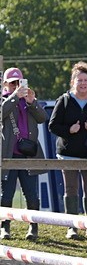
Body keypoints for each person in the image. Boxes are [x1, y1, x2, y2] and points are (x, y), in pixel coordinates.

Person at [48, 63, 87, 240]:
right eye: (79, 80)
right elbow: (53, 125)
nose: (83, 83)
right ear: (73, 82)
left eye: (86, 80)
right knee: (71, 188)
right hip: (68, 152)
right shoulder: (64, 100)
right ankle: (72, 227)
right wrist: (69, 130)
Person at [0, 67, 47, 240]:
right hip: (9, 155)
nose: (15, 86)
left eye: (18, 82)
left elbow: (43, 118)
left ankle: (33, 228)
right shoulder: (5, 100)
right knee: (7, 195)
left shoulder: (28, 99)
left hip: (29, 154)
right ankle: (5, 227)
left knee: (31, 194)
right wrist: (14, 97)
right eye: (12, 83)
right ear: (5, 84)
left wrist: (32, 101)